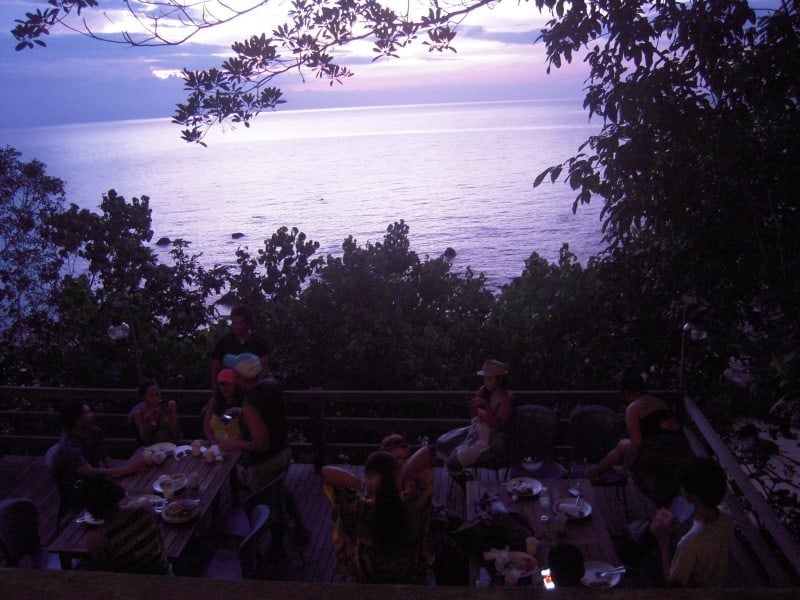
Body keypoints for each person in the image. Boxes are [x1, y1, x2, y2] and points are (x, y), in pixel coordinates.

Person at [217, 352, 309, 556]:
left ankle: (278, 548)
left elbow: (261, 444)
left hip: (266, 462)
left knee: (266, 505)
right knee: (280, 491)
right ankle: (301, 529)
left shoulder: (250, 404)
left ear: (240, 378)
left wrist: (231, 443)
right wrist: (243, 415)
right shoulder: (271, 385)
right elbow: (269, 415)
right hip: (283, 452)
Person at [585, 366, 693, 506]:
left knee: (623, 445)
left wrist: (625, 469)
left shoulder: (634, 408)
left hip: (659, 455)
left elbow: (637, 444)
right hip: (677, 450)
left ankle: (594, 471)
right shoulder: (658, 401)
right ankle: (595, 470)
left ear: (623, 390)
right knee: (623, 445)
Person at [322, 450, 433, 584]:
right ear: (396, 476)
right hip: (411, 580)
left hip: (368, 580)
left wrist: (361, 483)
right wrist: (402, 475)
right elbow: (429, 451)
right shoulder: (416, 503)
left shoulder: (358, 509)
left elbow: (325, 472)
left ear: (369, 479)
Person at [650, 458, 734, 588]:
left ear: (692, 496)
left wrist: (663, 540)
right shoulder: (726, 517)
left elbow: (673, 588)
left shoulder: (689, 545)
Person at [50, 399, 146, 509]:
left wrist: (119, 476)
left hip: (100, 483)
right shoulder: (68, 448)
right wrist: (127, 470)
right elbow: (91, 472)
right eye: (87, 413)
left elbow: (106, 460)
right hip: (81, 493)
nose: (92, 415)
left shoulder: (94, 432)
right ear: (77, 420)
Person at [435, 359, 514, 484]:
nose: (486, 382)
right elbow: (473, 417)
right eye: (485, 378)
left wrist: (486, 406)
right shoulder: (484, 391)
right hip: (478, 429)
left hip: (494, 439)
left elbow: (497, 427)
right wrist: (474, 407)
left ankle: (465, 485)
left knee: (453, 462)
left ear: (500, 379)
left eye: (490, 379)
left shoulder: (506, 398)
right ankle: (463, 475)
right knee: (442, 443)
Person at [76, 475, 172, 575]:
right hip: (166, 575)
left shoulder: (97, 541)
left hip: (135, 588)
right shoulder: (145, 507)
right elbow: (161, 546)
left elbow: (111, 575)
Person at [210, 304, 271, 390]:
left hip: (252, 391)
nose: (235, 326)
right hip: (228, 391)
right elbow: (215, 369)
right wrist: (216, 392)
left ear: (248, 324)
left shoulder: (260, 342)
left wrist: (253, 385)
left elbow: (264, 369)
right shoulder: (224, 341)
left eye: (239, 323)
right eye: (233, 323)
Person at [130, 379, 181, 446]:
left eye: (157, 394)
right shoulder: (138, 415)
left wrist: (171, 415)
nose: (156, 398)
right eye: (151, 396)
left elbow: (176, 435)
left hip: (171, 446)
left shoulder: (169, 406)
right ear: (143, 398)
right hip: (151, 451)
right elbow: (146, 442)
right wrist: (148, 421)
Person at [203, 368, 243, 444]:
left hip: (237, 445)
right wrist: (213, 443)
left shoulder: (243, 402)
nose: (225, 388)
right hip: (217, 445)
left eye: (229, 384)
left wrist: (236, 410)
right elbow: (206, 426)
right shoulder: (214, 401)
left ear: (235, 385)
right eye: (222, 384)